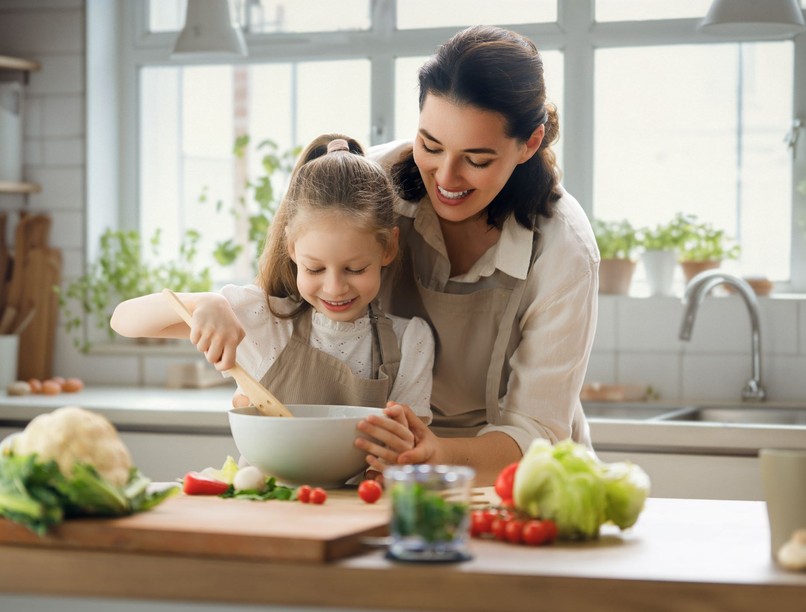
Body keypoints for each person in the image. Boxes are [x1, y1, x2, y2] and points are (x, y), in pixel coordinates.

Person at [353, 25, 600, 485]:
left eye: (477, 159)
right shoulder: (368, 187)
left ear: (529, 144)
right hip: (386, 467)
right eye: (430, 145)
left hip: (518, 478)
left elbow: (536, 432)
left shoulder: (563, 248)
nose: (446, 177)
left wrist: (438, 454)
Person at [110, 134, 435, 469]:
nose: (335, 287)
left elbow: (408, 450)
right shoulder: (264, 320)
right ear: (291, 247)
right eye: (315, 268)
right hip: (264, 496)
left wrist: (396, 461)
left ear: (388, 248)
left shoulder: (410, 341)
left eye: (355, 269)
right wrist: (206, 303)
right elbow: (123, 320)